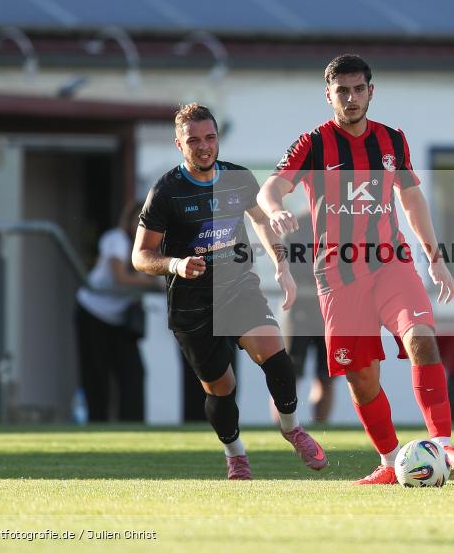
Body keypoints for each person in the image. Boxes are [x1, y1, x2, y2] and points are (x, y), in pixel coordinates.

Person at [258, 54, 454, 484]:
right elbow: (272, 187)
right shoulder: (314, 144)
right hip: (338, 277)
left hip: (391, 265)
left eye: (359, 89)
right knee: (361, 376)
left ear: (371, 92)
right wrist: (276, 209)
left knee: (423, 340)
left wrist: (435, 258)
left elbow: (412, 200)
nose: (352, 98)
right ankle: (390, 459)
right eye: (342, 91)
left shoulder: (393, 141)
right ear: (329, 96)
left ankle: (444, 442)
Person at [132, 103, 327, 479]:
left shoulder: (238, 179)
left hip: (238, 288)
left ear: (218, 138)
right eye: (193, 140)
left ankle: (292, 428)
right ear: (179, 144)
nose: (203, 146)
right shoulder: (166, 191)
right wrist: (175, 264)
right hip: (191, 305)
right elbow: (141, 256)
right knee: (222, 389)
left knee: (277, 357)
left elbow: (261, 222)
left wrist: (282, 266)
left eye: (210, 137)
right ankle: (235, 453)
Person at [75, 200, 154, 422]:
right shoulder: (116, 239)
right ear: (128, 221)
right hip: (93, 312)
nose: (141, 226)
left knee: (134, 374)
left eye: (146, 220)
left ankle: (132, 427)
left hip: (120, 318)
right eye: (137, 220)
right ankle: (97, 424)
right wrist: (151, 281)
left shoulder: (154, 246)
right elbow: (120, 276)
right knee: (96, 374)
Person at [278, 210, 335, 424]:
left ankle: (321, 431)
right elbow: (285, 266)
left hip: (329, 313)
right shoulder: (294, 225)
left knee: (326, 377)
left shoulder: (343, 225)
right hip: (298, 310)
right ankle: (285, 430)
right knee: (289, 377)